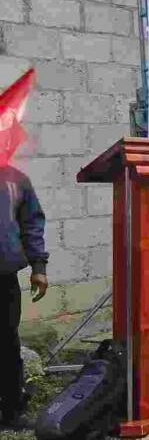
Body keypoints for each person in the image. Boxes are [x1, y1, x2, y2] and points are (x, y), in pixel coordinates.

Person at [0, 166, 48, 431]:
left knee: (7, 344)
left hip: (4, 277)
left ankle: (12, 411)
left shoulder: (15, 179)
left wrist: (38, 266)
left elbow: (31, 222)